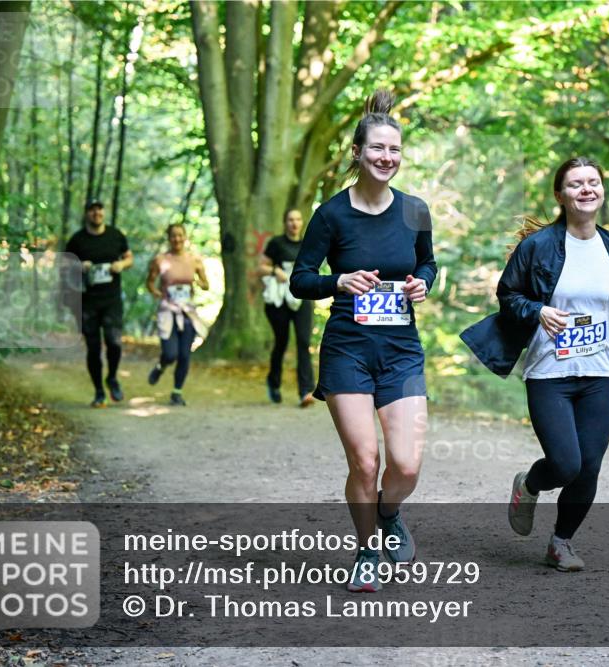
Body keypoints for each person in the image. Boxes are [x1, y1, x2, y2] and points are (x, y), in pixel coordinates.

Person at [460, 157, 609, 571]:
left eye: (593, 181)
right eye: (576, 184)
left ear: (602, 190)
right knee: (566, 463)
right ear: (561, 196)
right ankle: (530, 483)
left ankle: (561, 543)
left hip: (597, 372)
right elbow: (508, 296)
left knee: (589, 467)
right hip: (550, 373)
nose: (586, 189)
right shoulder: (538, 246)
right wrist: (538, 311)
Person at [290, 90, 436, 593]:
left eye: (394, 150)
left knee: (406, 463)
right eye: (377, 149)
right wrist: (340, 281)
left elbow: (427, 263)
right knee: (366, 461)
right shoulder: (331, 215)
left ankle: (388, 511)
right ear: (358, 152)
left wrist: (424, 283)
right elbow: (301, 279)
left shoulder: (416, 210)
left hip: (400, 350)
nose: (386, 158)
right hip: (348, 347)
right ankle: (368, 548)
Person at [65, 200, 134, 408]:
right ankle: (98, 392)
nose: (97, 213)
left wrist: (121, 264)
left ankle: (112, 377)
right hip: (87, 301)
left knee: (114, 342)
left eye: (100, 209)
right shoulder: (77, 240)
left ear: (104, 213)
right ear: (87, 214)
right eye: (92, 210)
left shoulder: (116, 235)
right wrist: (80, 265)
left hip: (112, 299)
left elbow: (129, 258)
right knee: (93, 348)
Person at [145, 223, 209, 406]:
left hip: (187, 312)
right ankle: (161, 365)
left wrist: (199, 282)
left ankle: (177, 392)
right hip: (168, 311)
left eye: (180, 235)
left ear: (185, 237)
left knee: (184, 355)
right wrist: (156, 292)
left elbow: (206, 284)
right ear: (169, 238)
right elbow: (150, 282)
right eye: (173, 236)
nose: (177, 239)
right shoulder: (160, 260)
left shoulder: (194, 260)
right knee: (170, 353)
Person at [259, 208, 316, 407]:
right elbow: (261, 267)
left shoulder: (309, 243)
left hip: (303, 299)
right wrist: (275, 271)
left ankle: (306, 391)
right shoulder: (276, 243)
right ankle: (273, 382)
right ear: (285, 222)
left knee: (303, 342)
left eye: (298, 219)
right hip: (280, 301)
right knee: (281, 342)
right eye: (290, 219)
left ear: (302, 222)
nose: (294, 223)